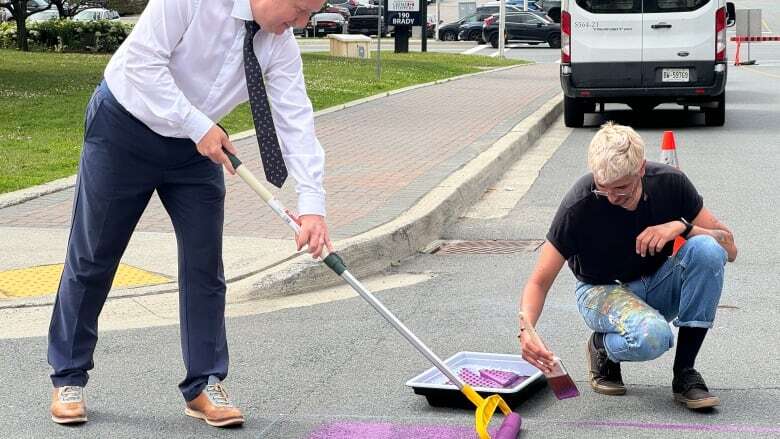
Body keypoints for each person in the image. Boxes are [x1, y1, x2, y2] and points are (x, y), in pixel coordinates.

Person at [47, 0, 331, 427]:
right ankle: (68, 375)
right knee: (93, 256)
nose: (303, 23)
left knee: (204, 266)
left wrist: (312, 205)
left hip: (196, 148)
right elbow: (143, 63)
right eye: (300, 9)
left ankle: (205, 382)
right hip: (124, 128)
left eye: (310, 15)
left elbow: (295, 116)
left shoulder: (280, 42)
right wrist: (197, 125)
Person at [518, 122, 737, 410]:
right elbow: (538, 281)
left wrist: (681, 228)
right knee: (654, 336)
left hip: (654, 282)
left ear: (641, 169)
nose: (612, 198)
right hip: (599, 292)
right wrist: (527, 331)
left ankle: (685, 374)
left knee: (707, 250)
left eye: (621, 188)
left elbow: (729, 248)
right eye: (603, 189)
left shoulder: (670, 183)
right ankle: (603, 349)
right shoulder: (579, 204)